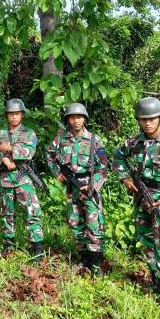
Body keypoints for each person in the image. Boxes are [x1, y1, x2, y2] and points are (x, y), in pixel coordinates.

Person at [113, 97, 160, 305]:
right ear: (138, 120)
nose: (148, 123)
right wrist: (125, 178)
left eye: (152, 119)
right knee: (145, 239)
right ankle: (155, 277)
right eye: (143, 119)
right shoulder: (134, 143)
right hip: (141, 197)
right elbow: (117, 158)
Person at [45, 103, 108, 275]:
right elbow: (49, 154)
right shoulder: (62, 140)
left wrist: (92, 186)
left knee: (94, 225)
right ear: (68, 120)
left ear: (85, 119)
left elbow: (103, 168)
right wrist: (57, 171)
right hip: (72, 188)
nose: (76, 121)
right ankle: (84, 259)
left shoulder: (94, 140)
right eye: (72, 117)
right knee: (75, 223)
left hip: (89, 188)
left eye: (79, 117)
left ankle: (96, 262)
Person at [0, 98, 44, 262]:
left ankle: (37, 247)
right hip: (5, 178)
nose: (14, 117)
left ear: (22, 115)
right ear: (7, 115)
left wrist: (10, 149)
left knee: (31, 211)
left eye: (17, 114)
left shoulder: (29, 133)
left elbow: (29, 152)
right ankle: (8, 244)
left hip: (23, 178)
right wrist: (2, 160)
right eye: (11, 114)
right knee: (7, 213)